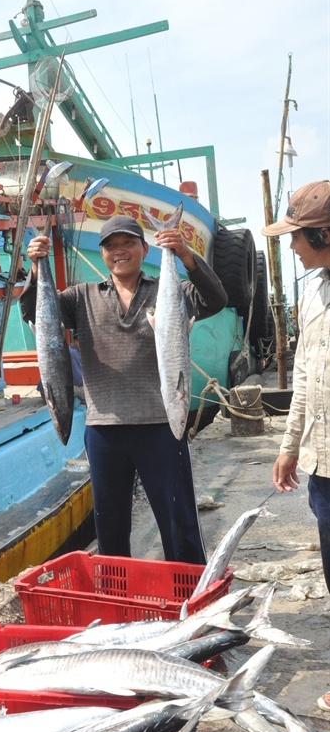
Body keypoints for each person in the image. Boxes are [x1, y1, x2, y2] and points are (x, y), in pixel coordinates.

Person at [21, 213, 227, 564]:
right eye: (111, 246)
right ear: (103, 254)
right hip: (104, 432)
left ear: (144, 248)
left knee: (179, 523)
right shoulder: (81, 297)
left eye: (128, 243)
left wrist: (187, 256)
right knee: (111, 527)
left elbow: (215, 298)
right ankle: (119, 600)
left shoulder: (169, 291)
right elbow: (35, 313)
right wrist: (36, 268)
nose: (120, 251)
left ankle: (191, 596)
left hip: (162, 427)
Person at [262, 179, 330, 732]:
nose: (291, 248)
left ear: (322, 233)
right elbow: (305, 377)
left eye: (296, 238)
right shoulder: (312, 293)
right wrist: (289, 445)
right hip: (323, 463)